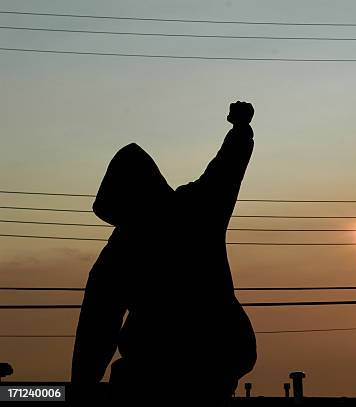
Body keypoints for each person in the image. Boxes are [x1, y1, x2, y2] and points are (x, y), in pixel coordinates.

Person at [71, 101, 257, 404]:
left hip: (193, 360)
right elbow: (97, 327)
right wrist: (240, 129)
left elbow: (96, 329)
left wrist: (81, 387)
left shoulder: (126, 248)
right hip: (208, 358)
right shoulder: (194, 209)